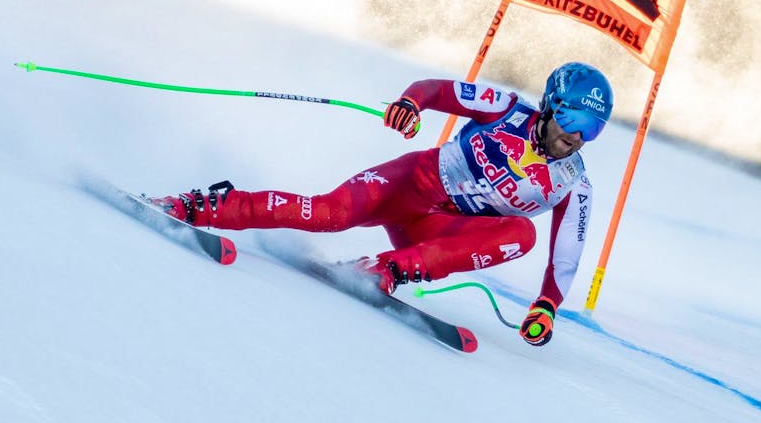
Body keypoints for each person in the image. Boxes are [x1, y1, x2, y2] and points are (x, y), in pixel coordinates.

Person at [153, 62, 613, 347]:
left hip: (433, 231)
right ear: (551, 105)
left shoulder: (574, 183)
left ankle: (386, 270)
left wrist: (546, 306)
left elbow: (566, 253)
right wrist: (410, 105)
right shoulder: (507, 108)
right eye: (572, 118)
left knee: (522, 234)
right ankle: (196, 206)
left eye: (591, 129)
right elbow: (434, 89)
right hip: (408, 184)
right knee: (328, 215)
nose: (575, 136)